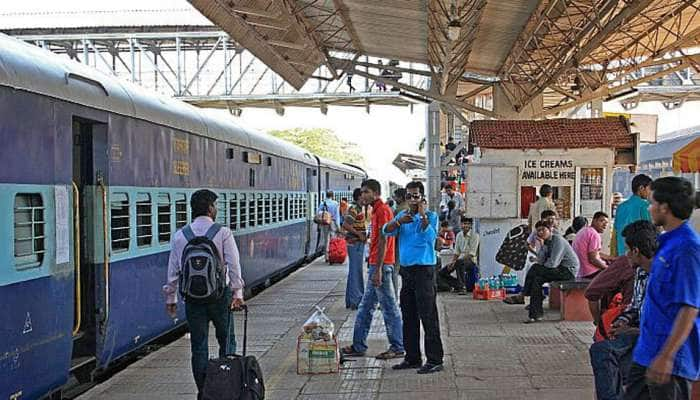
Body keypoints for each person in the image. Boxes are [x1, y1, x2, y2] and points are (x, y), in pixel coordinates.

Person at [163, 189, 245, 399]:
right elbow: (233, 264)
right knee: (226, 341)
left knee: (198, 346)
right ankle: (226, 387)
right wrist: (238, 293)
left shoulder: (181, 235)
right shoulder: (223, 232)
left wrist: (170, 297)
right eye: (215, 206)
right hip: (220, 297)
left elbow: (174, 270)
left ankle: (204, 391)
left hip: (193, 299)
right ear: (210, 208)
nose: (216, 209)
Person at [625, 177, 700, 400]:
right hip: (648, 349)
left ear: (664, 207)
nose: (649, 208)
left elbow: (690, 308)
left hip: (671, 358)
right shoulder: (666, 243)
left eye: (652, 203)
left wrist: (667, 355)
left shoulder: (687, 249)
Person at [587, 220, 656, 400]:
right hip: (638, 332)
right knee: (601, 350)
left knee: (624, 367)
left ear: (636, 251)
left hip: (657, 337)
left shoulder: (666, 275)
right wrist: (622, 321)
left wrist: (632, 329)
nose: (625, 255)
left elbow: (668, 325)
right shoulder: (640, 272)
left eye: (627, 250)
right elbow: (635, 306)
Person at [383, 181, 445, 374]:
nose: (411, 199)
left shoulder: (432, 216)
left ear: (422, 198)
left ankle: (435, 359)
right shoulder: (402, 216)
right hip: (407, 271)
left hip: (425, 271)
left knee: (428, 315)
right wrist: (399, 221)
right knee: (408, 315)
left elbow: (430, 238)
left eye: (415, 196)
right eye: (408, 196)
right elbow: (386, 230)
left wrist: (423, 215)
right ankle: (412, 357)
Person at [341, 179, 404, 360]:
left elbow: (384, 240)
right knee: (365, 306)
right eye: (362, 192)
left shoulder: (382, 211)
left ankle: (397, 346)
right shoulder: (376, 211)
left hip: (381, 266)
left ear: (375, 193)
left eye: (366, 192)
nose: (363, 195)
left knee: (389, 307)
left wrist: (378, 269)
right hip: (377, 264)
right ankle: (358, 345)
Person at [522, 220, 579, 323]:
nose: (540, 232)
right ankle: (535, 315)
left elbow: (553, 264)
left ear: (550, 229)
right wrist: (542, 245)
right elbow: (541, 260)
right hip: (557, 270)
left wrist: (541, 267)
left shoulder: (558, 240)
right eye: (538, 231)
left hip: (567, 271)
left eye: (543, 230)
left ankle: (525, 293)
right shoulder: (546, 242)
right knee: (537, 280)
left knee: (535, 268)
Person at [613, 174, 652, 256]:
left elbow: (615, 233)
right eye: (649, 189)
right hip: (638, 255)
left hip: (622, 254)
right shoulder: (644, 206)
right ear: (641, 188)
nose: (650, 192)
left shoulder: (621, 207)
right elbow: (650, 231)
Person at [342, 188, 367, 310]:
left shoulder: (358, 208)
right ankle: (356, 299)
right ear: (358, 197)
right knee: (356, 271)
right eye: (363, 195)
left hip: (356, 243)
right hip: (355, 243)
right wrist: (359, 234)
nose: (365, 198)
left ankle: (351, 299)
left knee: (354, 270)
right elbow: (346, 225)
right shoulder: (354, 209)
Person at [573, 211, 612, 279]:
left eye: (606, 223)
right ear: (594, 220)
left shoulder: (584, 231)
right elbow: (593, 259)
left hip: (580, 271)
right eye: (602, 221)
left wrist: (610, 258)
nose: (605, 225)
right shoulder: (594, 235)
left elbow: (595, 253)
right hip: (591, 272)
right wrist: (608, 269)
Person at [317, 191, 341, 263]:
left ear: (326, 195)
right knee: (333, 239)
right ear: (332, 196)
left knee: (326, 239)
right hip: (333, 222)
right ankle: (332, 254)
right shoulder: (335, 203)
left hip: (325, 222)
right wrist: (338, 226)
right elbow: (337, 216)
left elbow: (318, 213)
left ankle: (326, 257)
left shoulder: (323, 203)